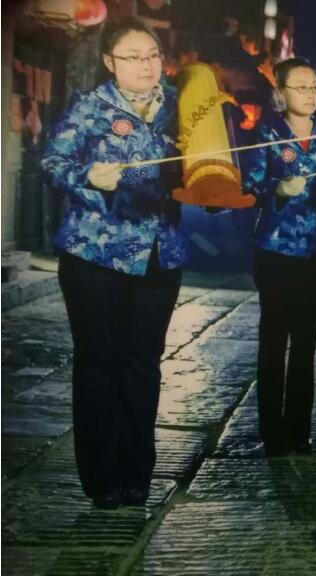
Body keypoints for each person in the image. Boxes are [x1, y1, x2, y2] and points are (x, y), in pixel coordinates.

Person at [40, 17, 185, 509]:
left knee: (143, 365)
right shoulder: (89, 107)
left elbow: (208, 164)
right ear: (110, 61)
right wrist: (88, 177)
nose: (147, 65)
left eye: (153, 55)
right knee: (100, 363)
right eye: (133, 57)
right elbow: (52, 163)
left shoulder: (181, 109)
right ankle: (102, 480)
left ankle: (136, 475)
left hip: (159, 257)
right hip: (95, 256)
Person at [241, 57, 316, 457]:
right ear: (281, 93)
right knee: (273, 341)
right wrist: (278, 189)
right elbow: (249, 184)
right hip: (275, 249)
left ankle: (299, 431)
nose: (310, 94)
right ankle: (271, 433)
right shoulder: (267, 132)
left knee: (305, 344)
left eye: (314, 86)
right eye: (300, 87)